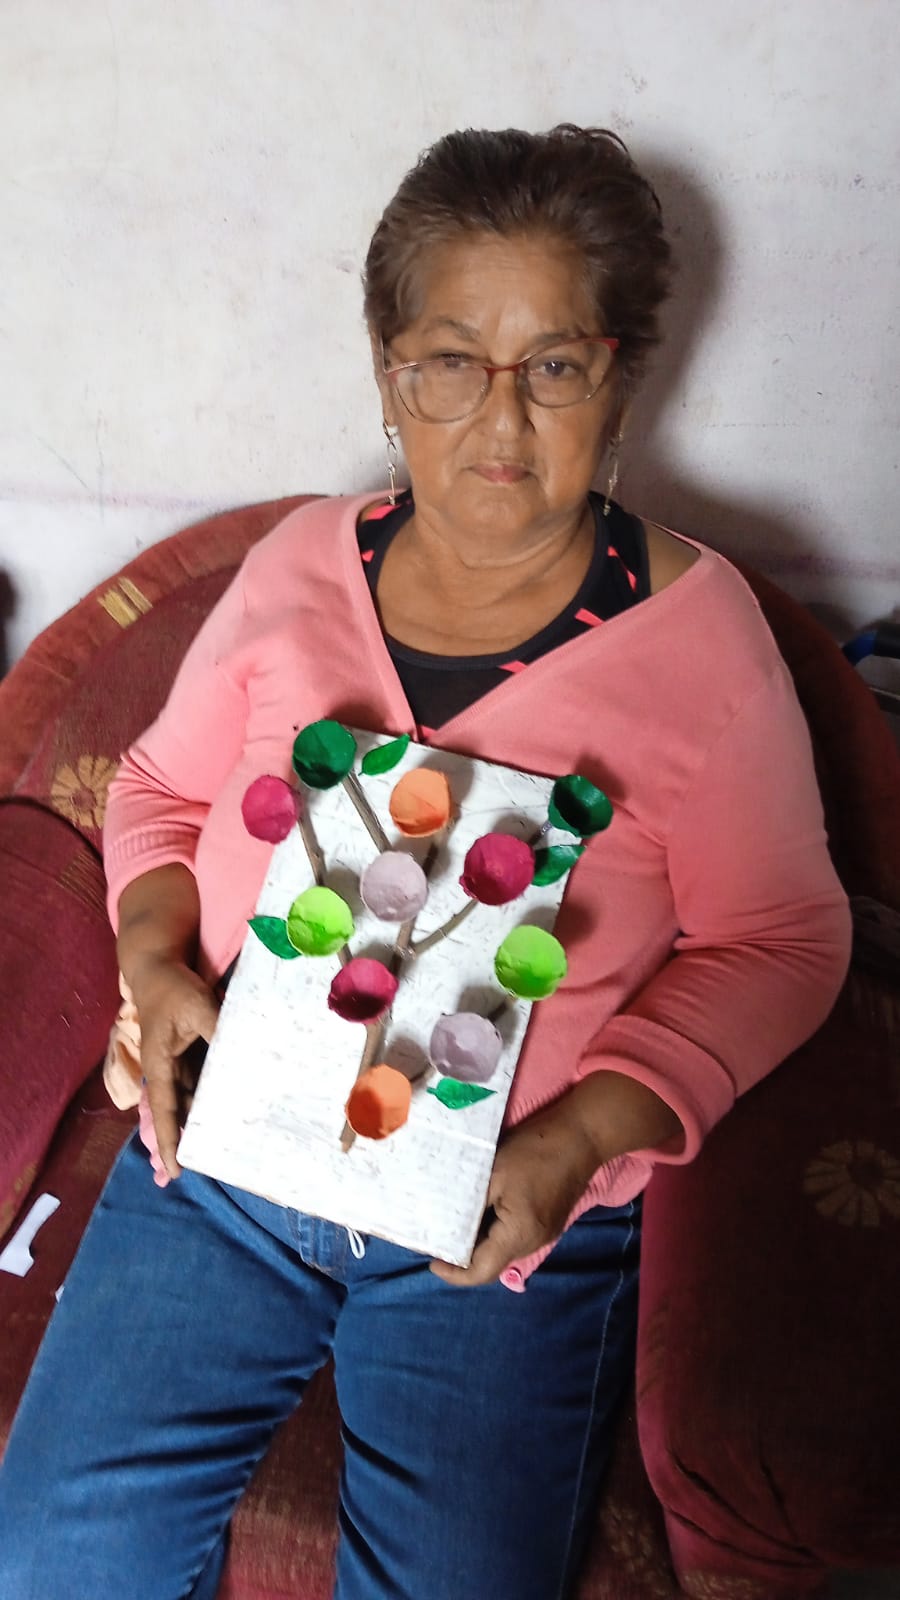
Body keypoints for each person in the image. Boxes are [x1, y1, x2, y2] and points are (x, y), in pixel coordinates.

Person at [0, 125, 851, 1600]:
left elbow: (784, 938)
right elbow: (157, 786)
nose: (500, 420)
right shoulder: (298, 569)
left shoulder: (704, 645)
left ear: (623, 379)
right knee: (54, 1557)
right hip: (226, 1160)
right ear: (391, 375)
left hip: (498, 1211)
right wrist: (153, 962)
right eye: (452, 361)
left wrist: (575, 1145)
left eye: (555, 365)